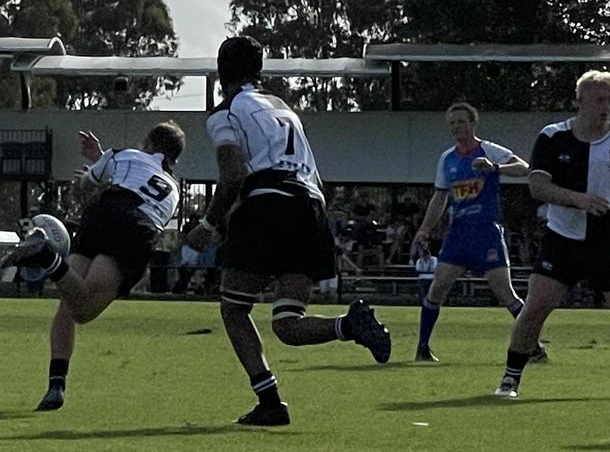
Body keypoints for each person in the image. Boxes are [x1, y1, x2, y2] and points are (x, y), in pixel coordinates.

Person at [185, 35, 390, 427]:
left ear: (220, 71)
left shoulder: (225, 111)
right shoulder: (283, 108)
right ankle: (349, 326)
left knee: (233, 308)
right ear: (259, 71)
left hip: (269, 205)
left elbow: (232, 175)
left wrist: (208, 225)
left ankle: (270, 402)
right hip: (311, 208)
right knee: (286, 324)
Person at [1, 121, 185, 410]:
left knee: (70, 299)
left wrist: (95, 164)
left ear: (148, 143)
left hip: (102, 214)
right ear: (174, 157)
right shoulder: (174, 189)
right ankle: (46, 255)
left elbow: (87, 184)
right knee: (83, 310)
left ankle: (56, 385)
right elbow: (141, 191)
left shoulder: (123, 154)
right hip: (136, 227)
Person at [495, 70, 610, 398]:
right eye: (598, 100)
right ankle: (510, 378)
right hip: (563, 239)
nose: (605, 107)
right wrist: (577, 200)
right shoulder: (553, 137)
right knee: (536, 307)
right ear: (580, 101)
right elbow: (537, 186)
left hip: (608, 242)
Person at [412, 102, 546, 362]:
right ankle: (422, 348)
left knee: (506, 294)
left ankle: (534, 347)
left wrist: (496, 168)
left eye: (460, 122)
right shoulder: (447, 158)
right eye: (452, 123)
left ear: (473, 123)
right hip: (459, 234)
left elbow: (525, 168)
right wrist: (424, 229)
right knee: (437, 289)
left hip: (486, 232)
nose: (456, 128)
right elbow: (440, 197)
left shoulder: (489, 151)